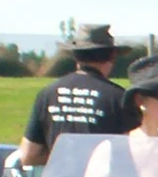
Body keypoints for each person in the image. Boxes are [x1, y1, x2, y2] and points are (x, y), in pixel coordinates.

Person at [19, 21, 132, 168]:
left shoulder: (47, 94)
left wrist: (63, 157)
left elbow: (28, 156)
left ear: (76, 55)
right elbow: (131, 154)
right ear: (112, 56)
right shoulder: (118, 97)